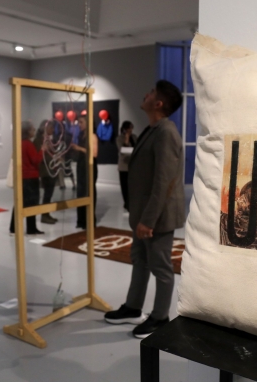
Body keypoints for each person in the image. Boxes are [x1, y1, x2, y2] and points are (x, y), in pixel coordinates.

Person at [104, 80, 185, 338]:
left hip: (157, 217)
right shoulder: (153, 130)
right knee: (139, 260)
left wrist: (149, 220)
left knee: (161, 267)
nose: (145, 94)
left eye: (151, 93)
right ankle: (133, 307)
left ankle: (160, 317)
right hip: (144, 213)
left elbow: (164, 181)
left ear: (158, 103)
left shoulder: (166, 133)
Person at [9, 121, 44, 235]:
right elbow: (35, 160)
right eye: (33, 129)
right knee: (32, 203)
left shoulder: (19, 143)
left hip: (22, 177)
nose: (34, 131)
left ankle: (14, 228)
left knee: (20, 202)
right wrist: (42, 150)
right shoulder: (28, 144)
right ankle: (31, 228)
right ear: (28, 131)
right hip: (30, 177)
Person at [71, 115, 98, 230]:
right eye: (79, 122)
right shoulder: (82, 136)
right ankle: (81, 220)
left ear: (88, 123)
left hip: (89, 167)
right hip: (81, 167)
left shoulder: (92, 136)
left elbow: (94, 154)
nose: (79, 125)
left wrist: (79, 148)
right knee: (81, 192)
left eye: (81, 122)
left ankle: (89, 220)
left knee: (88, 192)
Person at [35, 120, 58, 225]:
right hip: (46, 170)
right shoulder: (39, 140)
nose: (53, 130)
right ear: (45, 128)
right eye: (51, 128)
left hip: (50, 169)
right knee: (47, 194)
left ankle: (46, 214)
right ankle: (44, 215)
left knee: (49, 194)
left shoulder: (47, 139)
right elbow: (40, 156)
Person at [116, 121, 137, 211]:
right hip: (124, 166)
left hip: (133, 165)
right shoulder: (119, 138)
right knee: (125, 187)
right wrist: (126, 139)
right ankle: (127, 204)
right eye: (129, 128)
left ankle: (131, 203)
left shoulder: (134, 137)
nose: (130, 130)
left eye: (131, 128)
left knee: (132, 186)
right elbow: (123, 150)